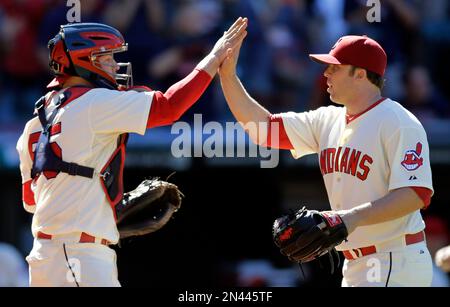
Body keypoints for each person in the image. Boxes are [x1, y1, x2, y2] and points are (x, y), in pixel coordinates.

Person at [16, 19, 247, 287]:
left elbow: (31, 200)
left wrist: (98, 210)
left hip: (45, 256)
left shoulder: (34, 122)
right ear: (83, 60)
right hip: (79, 258)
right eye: (106, 58)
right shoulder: (94, 102)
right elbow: (170, 106)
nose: (115, 65)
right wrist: (214, 56)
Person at [219, 32, 434, 287]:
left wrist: (348, 218)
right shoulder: (327, 120)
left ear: (360, 74)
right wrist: (228, 77)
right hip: (356, 263)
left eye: (334, 68)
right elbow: (263, 129)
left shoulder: (398, 122)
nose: (326, 74)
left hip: (393, 258)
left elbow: (415, 194)